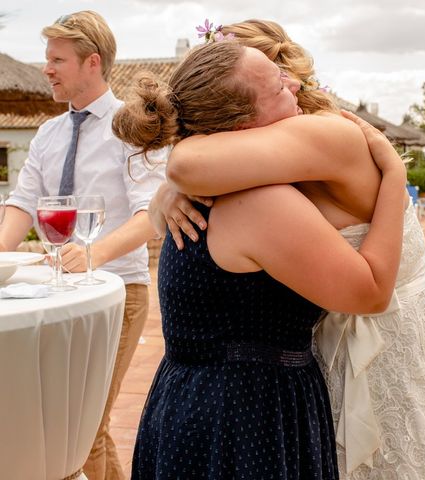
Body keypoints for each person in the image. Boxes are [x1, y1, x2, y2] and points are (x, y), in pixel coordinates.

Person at [157, 19, 425, 480]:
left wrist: (174, 176)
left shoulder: (324, 134)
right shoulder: (270, 156)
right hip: (326, 324)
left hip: (382, 331)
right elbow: (190, 168)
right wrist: (164, 192)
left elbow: (187, 161)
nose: (295, 84)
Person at [112, 38, 408, 479]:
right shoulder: (260, 202)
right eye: (276, 86)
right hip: (249, 418)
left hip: (185, 400)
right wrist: (395, 177)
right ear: (246, 124)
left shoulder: (207, 189)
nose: (294, 82)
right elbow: (371, 291)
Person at [0, 11, 165, 480]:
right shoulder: (49, 133)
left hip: (119, 291)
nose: (46, 69)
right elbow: (22, 202)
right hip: (57, 294)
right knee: (65, 427)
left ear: (92, 62)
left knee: (85, 429)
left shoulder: (132, 126)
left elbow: (152, 213)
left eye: (57, 59)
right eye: (46, 58)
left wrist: (94, 254)